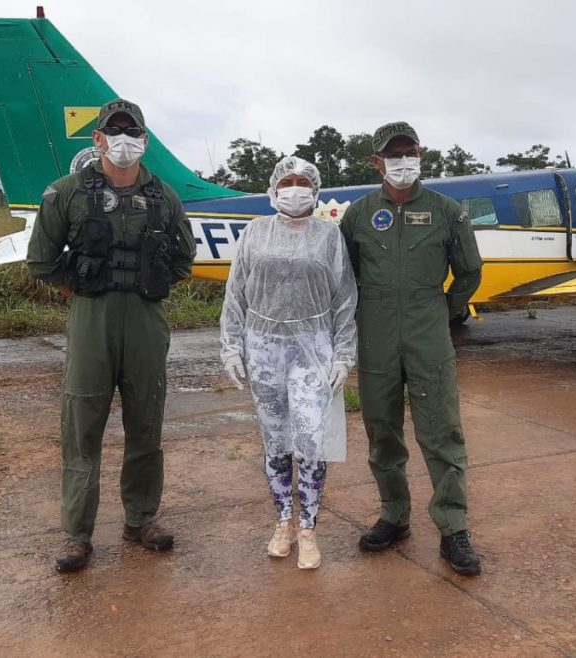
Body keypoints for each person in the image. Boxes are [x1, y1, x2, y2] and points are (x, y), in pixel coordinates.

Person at [26, 99, 196, 572]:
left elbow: (183, 261)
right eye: (113, 130)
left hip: (145, 319)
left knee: (147, 423)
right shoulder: (66, 193)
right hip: (91, 318)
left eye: (132, 131)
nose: (124, 139)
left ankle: (141, 519)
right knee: (82, 426)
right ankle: (76, 534)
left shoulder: (164, 197)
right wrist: (82, 288)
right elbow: (41, 260)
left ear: (144, 139)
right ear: (97, 139)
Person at [339, 122, 484, 575]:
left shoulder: (447, 211)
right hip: (376, 331)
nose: (403, 162)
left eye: (410, 152)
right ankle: (394, 515)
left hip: (427, 328)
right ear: (376, 162)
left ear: (420, 156)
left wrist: (442, 312)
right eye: (393, 154)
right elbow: (344, 276)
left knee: (441, 431)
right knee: (382, 432)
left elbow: (469, 272)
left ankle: (453, 526)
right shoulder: (359, 214)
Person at [220, 155, 357, 570]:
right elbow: (236, 292)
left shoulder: (328, 236)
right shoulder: (254, 233)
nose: (294, 188)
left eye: (302, 182)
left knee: (310, 440)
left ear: (314, 190)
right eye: (287, 181)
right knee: (276, 439)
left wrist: (344, 353)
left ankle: (309, 529)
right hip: (263, 347)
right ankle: (283, 520)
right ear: (274, 188)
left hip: (312, 348)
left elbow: (345, 298)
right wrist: (230, 345)